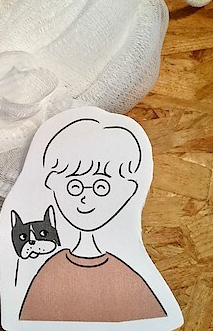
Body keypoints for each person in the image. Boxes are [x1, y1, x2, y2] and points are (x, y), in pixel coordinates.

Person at [19, 117, 167, 322]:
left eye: (101, 187)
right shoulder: (49, 272)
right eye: (74, 186)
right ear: (53, 183)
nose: (85, 197)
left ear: (128, 191)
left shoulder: (125, 276)